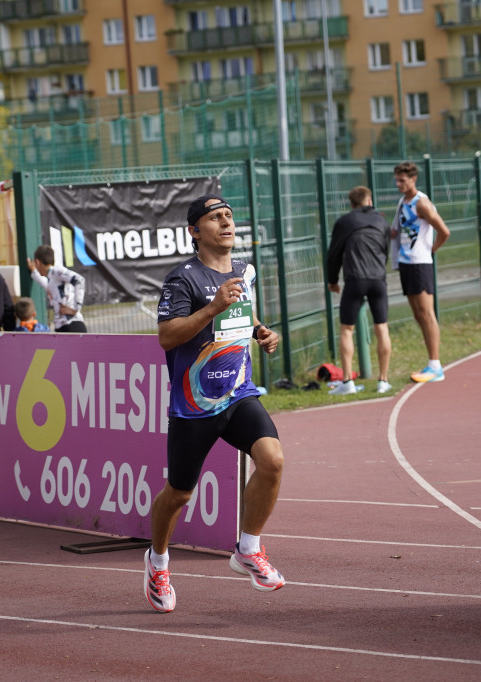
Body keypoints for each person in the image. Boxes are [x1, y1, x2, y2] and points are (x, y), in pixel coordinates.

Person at [145, 194, 285, 614]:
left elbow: (244, 312)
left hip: (238, 394)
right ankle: (158, 562)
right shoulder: (181, 280)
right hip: (193, 406)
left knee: (273, 460)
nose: (226, 222)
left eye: (228, 215)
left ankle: (248, 548)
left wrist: (261, 331)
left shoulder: (245, 271)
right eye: (214, 218)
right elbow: (168, 337)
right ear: (195, 230)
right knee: (179, 494)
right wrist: (211, 308)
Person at [326, 186, 393, 396]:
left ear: (352, 203)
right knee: (382, 327)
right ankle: (383, 381)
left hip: (355, 279)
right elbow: (386, 250)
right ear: (369, 200)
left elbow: (334, 253)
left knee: (347, 329)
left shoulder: (345, 222)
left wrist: (333, 280)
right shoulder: (382, 221)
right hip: (378, 280)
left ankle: (347, 382)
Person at [392, 161, 451, 383]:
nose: (398, 184)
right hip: (406, 263)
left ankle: (435, 365)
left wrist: (432, 249)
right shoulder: (403, 201)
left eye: (402, 180)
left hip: (420, 263)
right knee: (418, 314)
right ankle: (431, 363)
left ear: (413, 179)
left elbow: (444, 231)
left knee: (427, 314)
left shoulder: (422, 204)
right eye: (396, 180)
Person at [27, 245, 87, 333]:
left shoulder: (56, 271)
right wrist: (33, 271)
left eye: (35, 264)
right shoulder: (52, 277)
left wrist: (75, 309)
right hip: (63, 327)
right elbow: (46, 285)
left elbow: (80, 280)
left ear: (37, 262)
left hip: (71, 325)